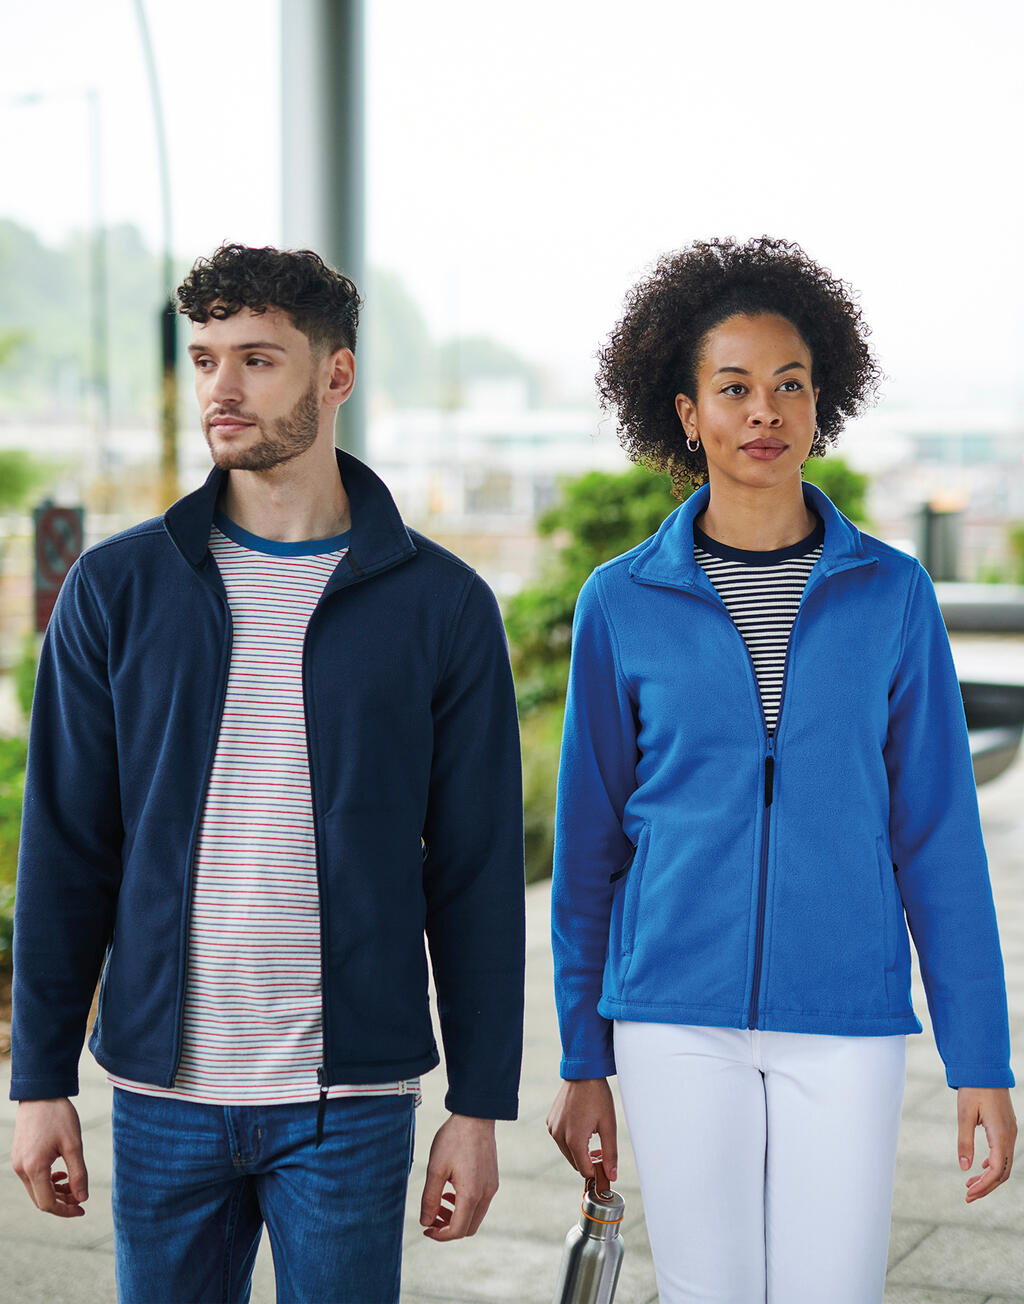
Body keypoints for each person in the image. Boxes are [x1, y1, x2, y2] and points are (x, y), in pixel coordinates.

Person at [10, 243, 525, 1304]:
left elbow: (474, 872)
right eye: (205, 360)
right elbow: (66, 845)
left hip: (350, 1103)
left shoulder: (442, 605)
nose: (222, 389)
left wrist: (477, 1104)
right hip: (162, 1096)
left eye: (257, 359)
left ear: (336, 374)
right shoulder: (116, 588)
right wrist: (39, 1080)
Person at [546, 235, 1016, 1302]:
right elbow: (588, 846)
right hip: (672, 1013)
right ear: (686, 412)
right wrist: (582, 1056)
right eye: (734, 387)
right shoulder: (620, 601)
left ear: (820, 404)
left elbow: (937, 839)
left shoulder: (892, 595)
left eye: (789, 384)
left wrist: (980, 1060)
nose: (764, 411)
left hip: (845, 1014)